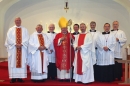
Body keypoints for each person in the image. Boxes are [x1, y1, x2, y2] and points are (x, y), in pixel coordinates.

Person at [5, 17, 29, 83]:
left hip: (22, 48)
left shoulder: (25, 29)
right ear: (14, 21)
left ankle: (20, 77)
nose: (18, 21)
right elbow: (8, 38)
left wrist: (22, 44)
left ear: (21, 21)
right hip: (13, 49)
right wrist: (15, 44)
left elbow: (27, 38)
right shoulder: (11, 29)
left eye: (19, 20)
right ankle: (13, 78)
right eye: (16, 20)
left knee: (21, 62)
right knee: (13, 62)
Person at [54, 17, 75, 81]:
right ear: (61, 29)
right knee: (61, 63)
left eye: (65, 28)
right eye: (63, 29)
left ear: (67, 28)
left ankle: (68, 77)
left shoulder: (70, 34)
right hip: (60, 53)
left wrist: (72, 39)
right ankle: (61, 77)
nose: (64, 30)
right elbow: (55, 42)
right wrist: (60, 39)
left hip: (68, 53)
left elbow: (74, 44)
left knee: (68, 63)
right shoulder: (58, 35)